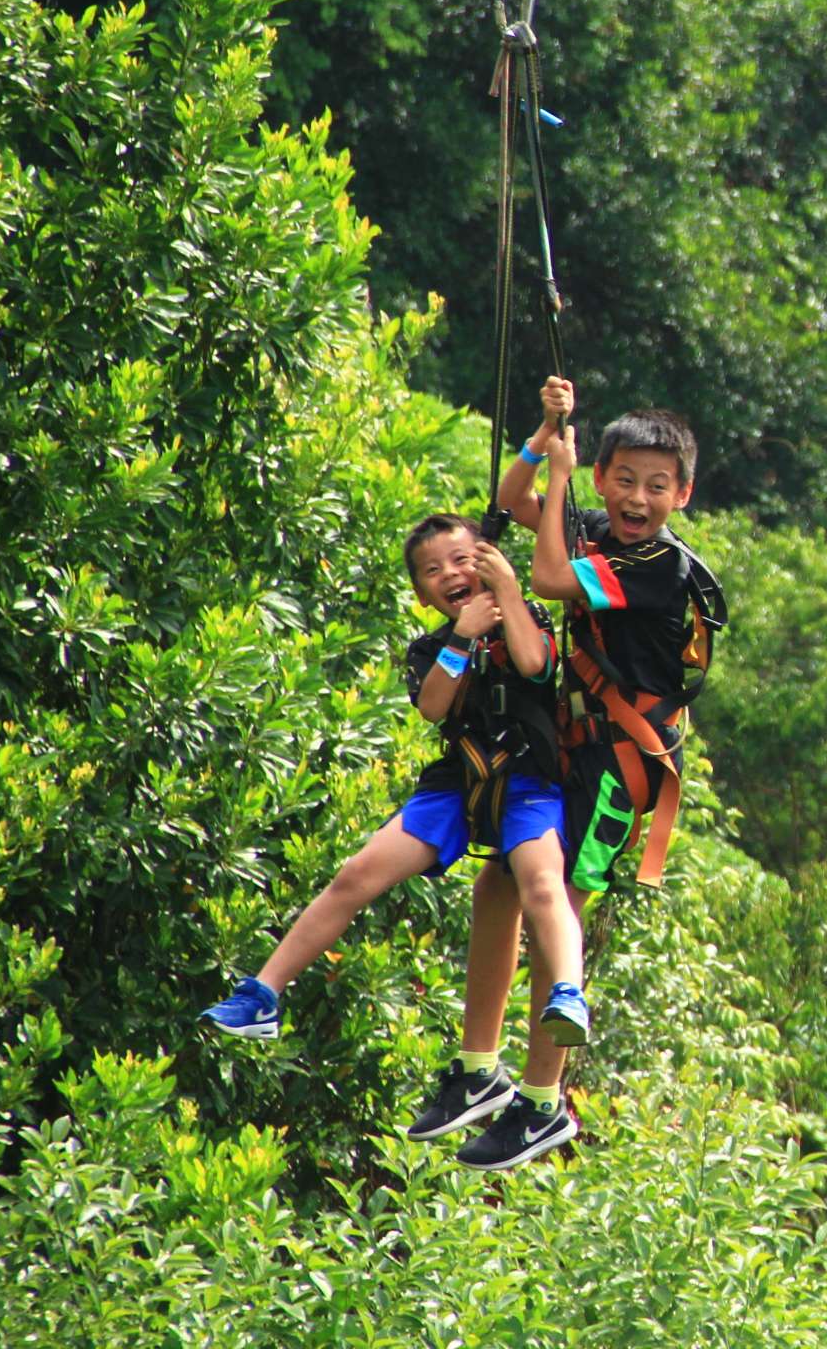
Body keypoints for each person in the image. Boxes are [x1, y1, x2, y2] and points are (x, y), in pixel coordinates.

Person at [200, 516, 594, 1170]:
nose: (452, 576)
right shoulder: (432, 646)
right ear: (421, 593)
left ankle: (567, 993)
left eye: (465, 561)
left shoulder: (531, 622)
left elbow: (532, 663)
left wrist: (509, 595)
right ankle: (263, 993)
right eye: (435, 571)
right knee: (356, 874)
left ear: (489, 562)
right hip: (458, 786)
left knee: (541, 883)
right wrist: (463, 636)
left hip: (530, 782)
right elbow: (435, 706)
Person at [498, 379, 714, 897]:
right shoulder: (599, 530)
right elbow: (511, 501)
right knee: (503, 882)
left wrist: (558, 474)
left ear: (682, 494)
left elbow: (548, 580)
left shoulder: (660, 562)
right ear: (600, 478)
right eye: (625, 480)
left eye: (657, 487)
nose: (637, 499)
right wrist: (545, 433)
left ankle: (565, 984)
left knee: (564, 894)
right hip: (579, 737)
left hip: (625, 754)